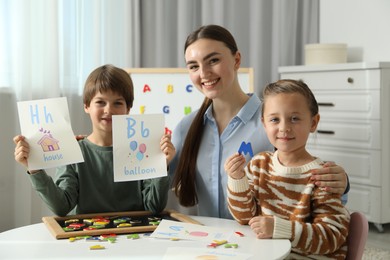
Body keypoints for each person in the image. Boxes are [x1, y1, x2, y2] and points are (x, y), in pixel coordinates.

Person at [169, 24, 349, 219]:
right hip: (207, 241)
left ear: (236, 60)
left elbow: (305, 183)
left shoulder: (274, 124)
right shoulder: (185, 128)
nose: (203, 73)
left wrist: (341, 182)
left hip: (260, 242)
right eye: (194, 66)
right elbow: (159, 191)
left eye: (213, 60)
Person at [13, 64, 175, 217]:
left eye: (117, 103)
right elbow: (61, 207)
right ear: (86, 106)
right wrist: (34, 169)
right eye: (100, 102)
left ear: (128, 109)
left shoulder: (142, 149)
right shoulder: (74, 150)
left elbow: (154, 206)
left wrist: (162, 165)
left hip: (137, 235)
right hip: (86, 240)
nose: (108, 110)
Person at [224, 79, 350, 259]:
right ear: (264, 123)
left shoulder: (322, 176)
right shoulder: (259, 164)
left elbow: (331, 237)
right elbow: (244, 217)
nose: (284, 128)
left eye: (295, 118)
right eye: (275, 119)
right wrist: (237, 179)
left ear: (313, 123)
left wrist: (279, 228)